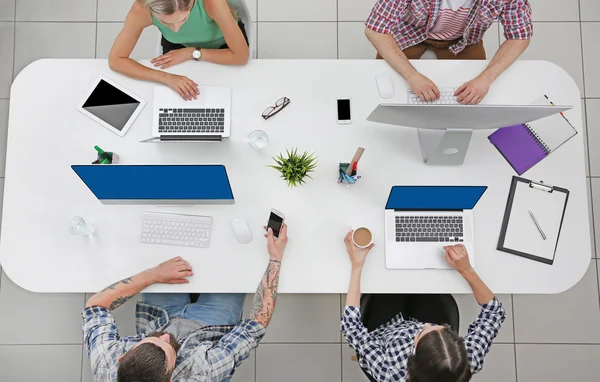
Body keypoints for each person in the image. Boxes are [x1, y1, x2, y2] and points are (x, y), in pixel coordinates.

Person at [82, 224, 288, 381]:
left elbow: (95, 306)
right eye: (166, 346)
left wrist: (153, 275)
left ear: (122, 358)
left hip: (157, 317)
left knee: (167, 245)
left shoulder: (106, 366)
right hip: (210, 328)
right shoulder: (202, 373)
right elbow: (255, 326)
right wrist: (275, 258)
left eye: (152, 340)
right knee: (237, 259)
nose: (165, 335)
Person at [340, 232, 505, 382]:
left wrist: (357, 265)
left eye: (421, 333)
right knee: (423, 272)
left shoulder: (389, 373)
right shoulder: (466, 360)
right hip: (421, 316)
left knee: (385, 278)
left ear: (412, 361)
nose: (426, 324)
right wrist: (466, 270)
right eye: (444, 329)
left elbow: (351, 327)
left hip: (387, 329)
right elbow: (494, 312)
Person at [365, 0, 533, 104]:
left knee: (475, 98)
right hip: (410, 32)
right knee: (385, 89)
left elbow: (520, 37)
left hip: (465, 40)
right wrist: (411, 75)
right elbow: (375, 30)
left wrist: (486, 78)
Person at [109, 0, 250, 101]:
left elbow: (241, 57)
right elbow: (116, 60)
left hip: (223, 44)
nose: (176, 29)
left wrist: (191, 52)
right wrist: (167, 78)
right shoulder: (142, 8)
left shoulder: (212, 3)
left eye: (183, 20)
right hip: (177, 46)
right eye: (165, 23)